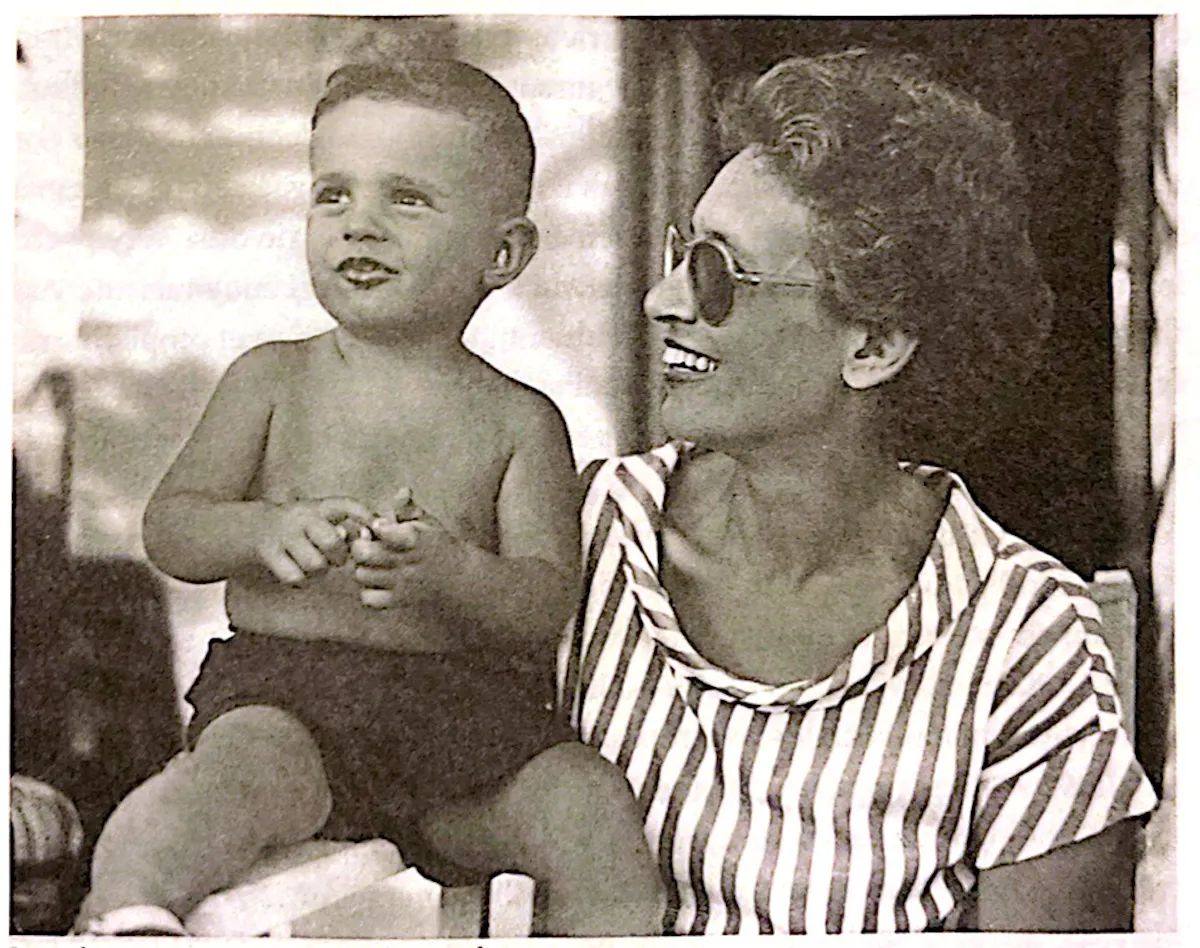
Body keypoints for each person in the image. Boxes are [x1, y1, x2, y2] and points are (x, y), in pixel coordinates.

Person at [559, 48, 1157, 935]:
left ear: (873, 346)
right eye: (682, 252)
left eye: (717, 273)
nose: (661, 300)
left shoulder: (1022, 637)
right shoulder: (588, 535)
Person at [76, 60, 664, 937]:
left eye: (407, 199)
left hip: (463, 726)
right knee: (206, 792)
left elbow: (545, 600)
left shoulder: (520, 419)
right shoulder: (271, 379)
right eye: (333, 195)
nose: (360, 224)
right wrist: (262, 529)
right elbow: (173, 528)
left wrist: (455, 574)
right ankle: (127, 913)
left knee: (589, 805)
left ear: (503, 253)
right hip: (287, 703)